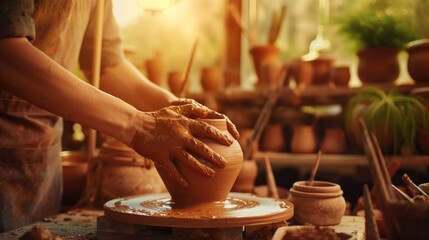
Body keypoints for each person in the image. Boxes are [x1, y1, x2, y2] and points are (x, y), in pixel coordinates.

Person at [0, 0, 239, 232]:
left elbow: (107, 63)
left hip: (42, 154)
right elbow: (7, 52)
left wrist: (176, 108)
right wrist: (141, 127)